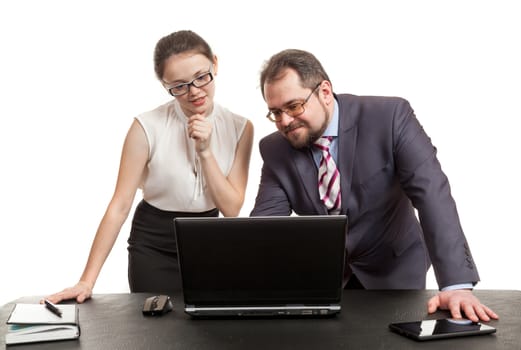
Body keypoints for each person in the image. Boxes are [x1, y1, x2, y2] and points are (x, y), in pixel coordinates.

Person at [250, 48, 498, 322]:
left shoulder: (389, 117)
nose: (284, 121)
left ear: (324, 91)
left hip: (395, 270)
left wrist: (456, 285)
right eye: (275, 112)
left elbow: (432, 194)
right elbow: (265, 227)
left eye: (294, 106)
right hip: (328, 282)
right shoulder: (275, 149)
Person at [45, 30, 253, 303]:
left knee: (206, 333)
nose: (195, 92)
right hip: (153, 242)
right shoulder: (146, 126)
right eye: (179, 86)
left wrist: (205, 151)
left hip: (207, 241)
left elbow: (232, 208)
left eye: (202, 77)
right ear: (165, 85)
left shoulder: (241, 128)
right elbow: (120, 205)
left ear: (215, 64)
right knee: (155, 330)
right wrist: (86, 281)